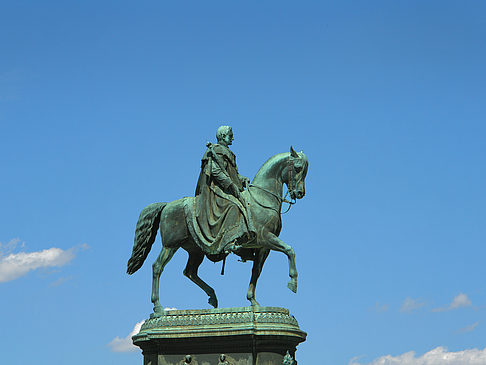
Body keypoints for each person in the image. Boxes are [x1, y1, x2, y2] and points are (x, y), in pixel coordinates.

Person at [192, 125, 255, 255]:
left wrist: (241, 179)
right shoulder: (216, 151)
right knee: (233, 206)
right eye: (230, 136)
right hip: (216, 189)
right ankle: (228, 241)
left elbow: (232, 174)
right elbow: (215, 171)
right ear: (222, 136)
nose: (233, 138)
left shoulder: (228, 152)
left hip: (228, 187)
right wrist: (230, 185)